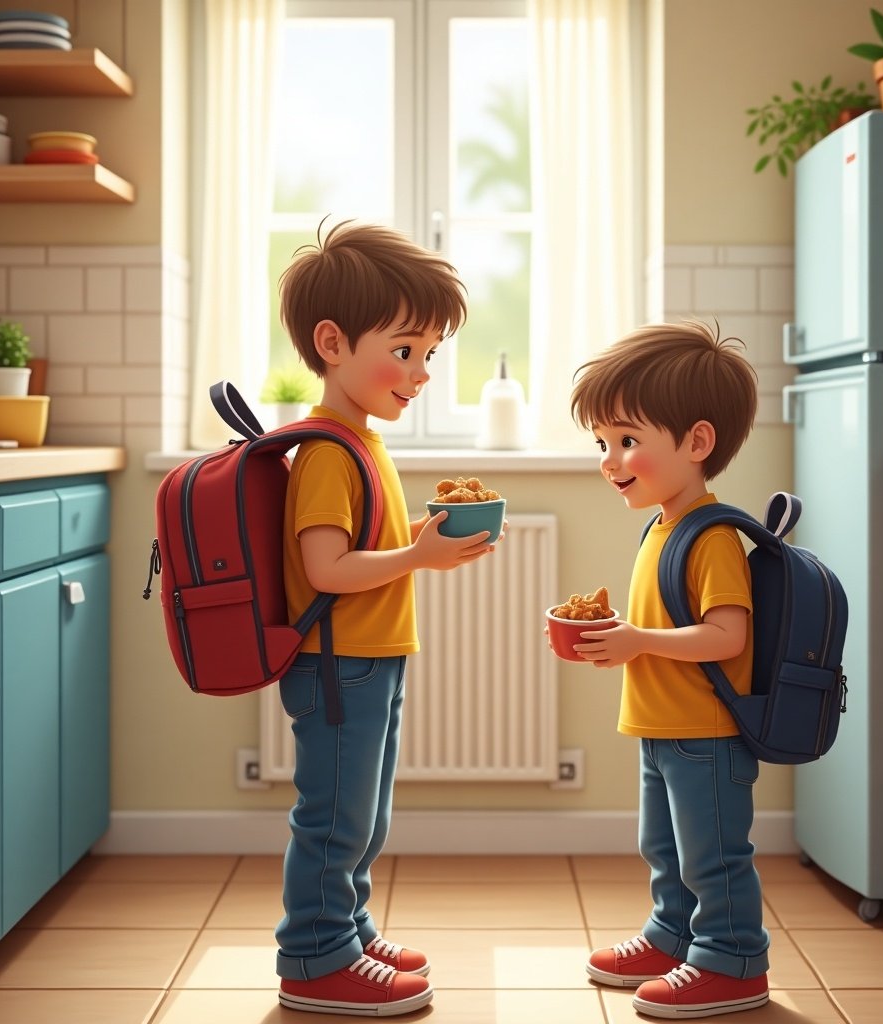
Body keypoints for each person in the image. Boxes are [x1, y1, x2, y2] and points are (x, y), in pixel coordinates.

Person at [273, 219, 498, 1016]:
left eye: (430, 354)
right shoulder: (329, 451)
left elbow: (357, 545)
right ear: (331, 342)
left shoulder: (362, 442)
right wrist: (417, 559)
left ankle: (350, 929)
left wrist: (419, 540)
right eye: (404, 351)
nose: (422, 371)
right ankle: (313, 957)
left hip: (368, 654)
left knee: (363, 813)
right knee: (334, 814)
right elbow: (324, 568)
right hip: (338, 662)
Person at [569, 320, 770, 1019]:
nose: (609, 457)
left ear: (697, 443)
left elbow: (726, 636)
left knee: (712, 852)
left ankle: (733, 959)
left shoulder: (711, 534)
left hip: (706, 728)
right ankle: (674, 936)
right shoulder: (662, 523)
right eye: (603, 443)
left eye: (626, 440)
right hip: (665, 723)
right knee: (666, 845)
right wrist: (620, 640)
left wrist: (640, 643)